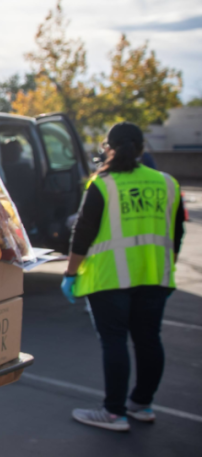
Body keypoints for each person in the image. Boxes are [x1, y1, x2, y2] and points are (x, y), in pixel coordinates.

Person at [61, 122, 185, 432]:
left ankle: (113, 413)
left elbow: (82, 234)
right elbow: (177, 233)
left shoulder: (103, 184)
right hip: (154, 276)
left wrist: (70, 273)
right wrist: (167, 269)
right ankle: (142, 404)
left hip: (110, 278)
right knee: (149, 340)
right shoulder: (167, 183)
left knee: (114, 341)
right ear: (142, 148)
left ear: (108, 148)